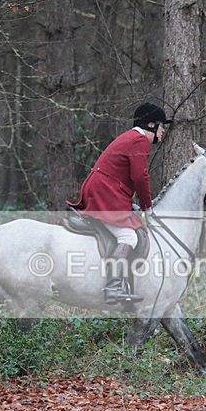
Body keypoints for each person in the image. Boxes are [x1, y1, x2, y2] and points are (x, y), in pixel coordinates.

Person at [68, 102, 172, 304]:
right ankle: (113, 287)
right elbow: (140, 177)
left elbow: (125, 177)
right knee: (128, 237)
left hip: (105, 190)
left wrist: (133, 204)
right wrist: (147, 207)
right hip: (104, 193)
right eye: (162, 125)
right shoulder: (139, 140)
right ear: (151, 124)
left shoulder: (131, 138)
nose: (163, 130)